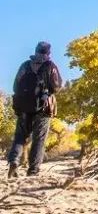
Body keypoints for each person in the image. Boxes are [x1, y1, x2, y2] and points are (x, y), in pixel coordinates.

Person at [7, 42, 63, 178]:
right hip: (44, 108)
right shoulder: (50, 66)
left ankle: (14, 161)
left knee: (20, 136)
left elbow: (15, 86)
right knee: (39, 139)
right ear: (49, 53)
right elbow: (56, 86)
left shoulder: (25, 65)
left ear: (36, 50)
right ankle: (33, 170)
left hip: (24, 107)